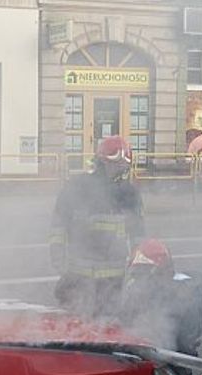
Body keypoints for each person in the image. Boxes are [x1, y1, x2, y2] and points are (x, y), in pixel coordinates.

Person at [49, 135, 145, 319]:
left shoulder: (129, 195)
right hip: (78, 276)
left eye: (123, 165)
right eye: (115, 164)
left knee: (106, 325)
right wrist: (57, 253)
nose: (119, 169)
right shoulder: (77, 187)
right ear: (102, 163)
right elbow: (59, 223)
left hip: (112, 280)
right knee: (74, 325)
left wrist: (138, 270)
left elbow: (138, 235)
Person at [118, 239, 202, 358]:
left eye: (142, 274)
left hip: (171, 360)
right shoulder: (136, 291)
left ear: (161, 273)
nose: (137, 281)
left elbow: (185, 344)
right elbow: (125, 322)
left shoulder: (181, 295)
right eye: (136, 274)